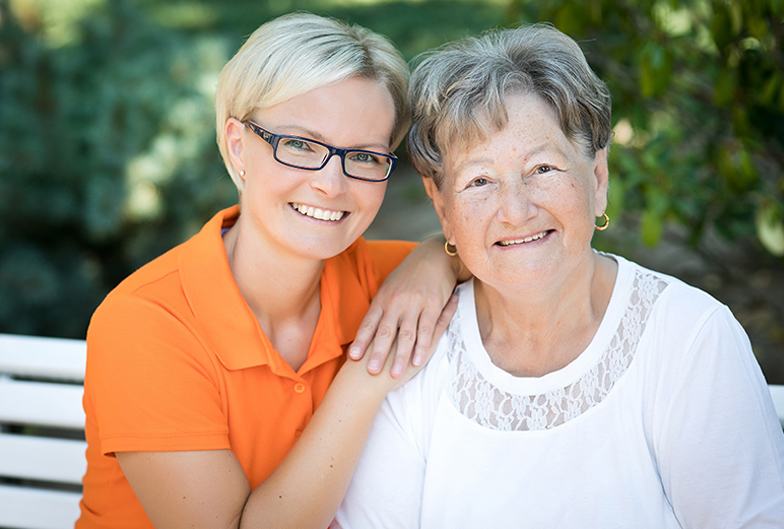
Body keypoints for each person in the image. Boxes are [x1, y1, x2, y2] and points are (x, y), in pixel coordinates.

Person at [334, 23, 784, 528]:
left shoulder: (690, 339)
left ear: (597, 178)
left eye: (543, 168)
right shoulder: (416, 351)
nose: (515, 209)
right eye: (480, 181)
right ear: (444, 212)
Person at [77, 13, 466, 528]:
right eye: (301, 145)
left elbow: (503, 256)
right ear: (239, 146)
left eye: (366, 157)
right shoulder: (148, 323)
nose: (331, 183)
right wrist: (365, 379)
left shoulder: (389, 282)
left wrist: (438, 256)